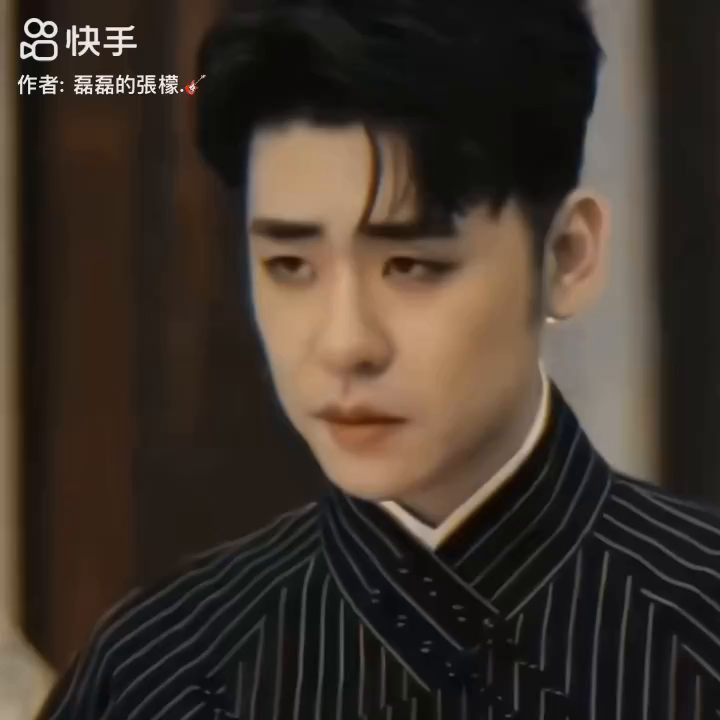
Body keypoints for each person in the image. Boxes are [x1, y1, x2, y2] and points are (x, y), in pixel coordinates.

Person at [37, 0, 720, 718]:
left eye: (411, 264)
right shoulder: (154, 673)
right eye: (290, 265)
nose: (344, 344)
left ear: (566, 257)